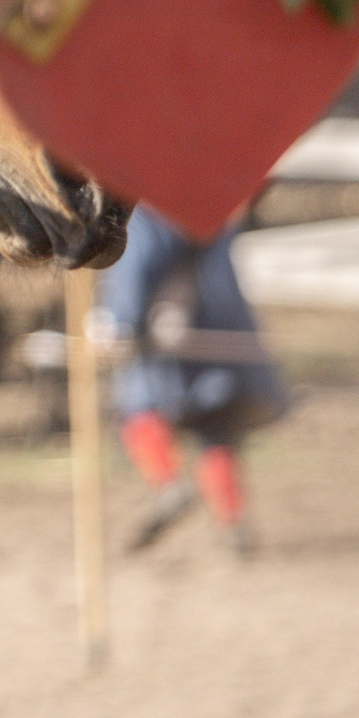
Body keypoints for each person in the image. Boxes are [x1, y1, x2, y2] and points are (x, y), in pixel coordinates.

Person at [98, 205, 288, 556]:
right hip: (220, 320)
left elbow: (139, 261)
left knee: (139, 409)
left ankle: (169, 484)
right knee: (215, 428)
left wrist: (117, 318)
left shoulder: (149, 209)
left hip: (169, 332)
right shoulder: (214, 200)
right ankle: (233, 521)